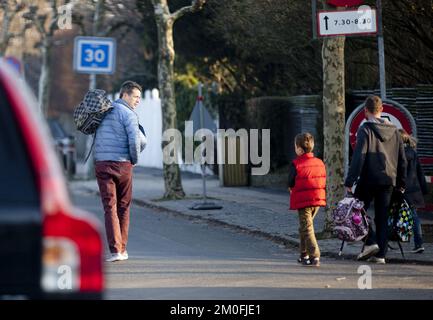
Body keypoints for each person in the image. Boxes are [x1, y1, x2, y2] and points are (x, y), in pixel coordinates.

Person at [345, 95, 407, 264]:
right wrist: (402, 183)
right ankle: (381, 255)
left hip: (368, 178)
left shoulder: (365, 129)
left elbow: (359, 157)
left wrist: (350, 181)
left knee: (355, 213)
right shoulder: (395, 131)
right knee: (382, 217)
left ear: (365, 111)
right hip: (388, 180)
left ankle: (371, 241)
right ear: (382, 110)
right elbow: (402, 159)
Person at [94, 80, 146, 262]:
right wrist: (135, 160)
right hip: (123, 165)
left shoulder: (102, 111)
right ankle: (122, 249)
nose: (138, 101)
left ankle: (116, 250)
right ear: (125, 94)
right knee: (123, 206)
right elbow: (136, 141)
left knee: (110, 207)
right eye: (136, 96)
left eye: (140, 97)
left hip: (101, 163)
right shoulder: (129, 114)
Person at [288, 132, 326, 267]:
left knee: (307, 228)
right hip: (317, 199)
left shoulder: (296, 164)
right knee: (305, 227)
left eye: (295, 146)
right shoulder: (320, 162)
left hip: (303, 200)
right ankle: (304, 254)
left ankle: (315, 255)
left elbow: (290, 181)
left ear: (299, 149)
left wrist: (291, 187)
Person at [398, 129, 428, 253]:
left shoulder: (400, 154)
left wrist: (400, 186)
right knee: (414, 215)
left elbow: (402, 173)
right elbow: (420, 172)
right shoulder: (413, 153)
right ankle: (418, 243)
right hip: (414, 189)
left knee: (409, 215)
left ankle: (418, 243)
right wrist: (424, 189)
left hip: (404, 189)